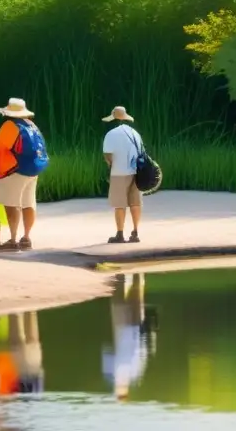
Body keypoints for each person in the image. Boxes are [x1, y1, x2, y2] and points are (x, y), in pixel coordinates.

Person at [0, 98, 48, 251]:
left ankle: (12, 240)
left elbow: (0, 147)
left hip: (14, 170)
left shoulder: (9, 126)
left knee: (12, 204)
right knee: (29, 203)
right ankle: (26, 237)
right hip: (33, 169)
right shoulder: (32, 125)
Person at [101, 274, 150, 400]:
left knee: (135, 298)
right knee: (121, 302)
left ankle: (135, 274)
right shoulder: (114, 375)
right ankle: (123, 276)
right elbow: (106, 353)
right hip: (124, 330)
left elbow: (142, 353)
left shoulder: (134, 374)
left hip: (134, 331)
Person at [101, 106, 143, 244]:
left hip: (118, 173)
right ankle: (135, 232)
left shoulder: (110, 134)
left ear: (113, 119)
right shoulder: (135, 133)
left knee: (120, 204)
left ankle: (120, 234)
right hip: (136, 172)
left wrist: (110, 166)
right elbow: (141, 152)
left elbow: (108, 156)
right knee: (135, 203)